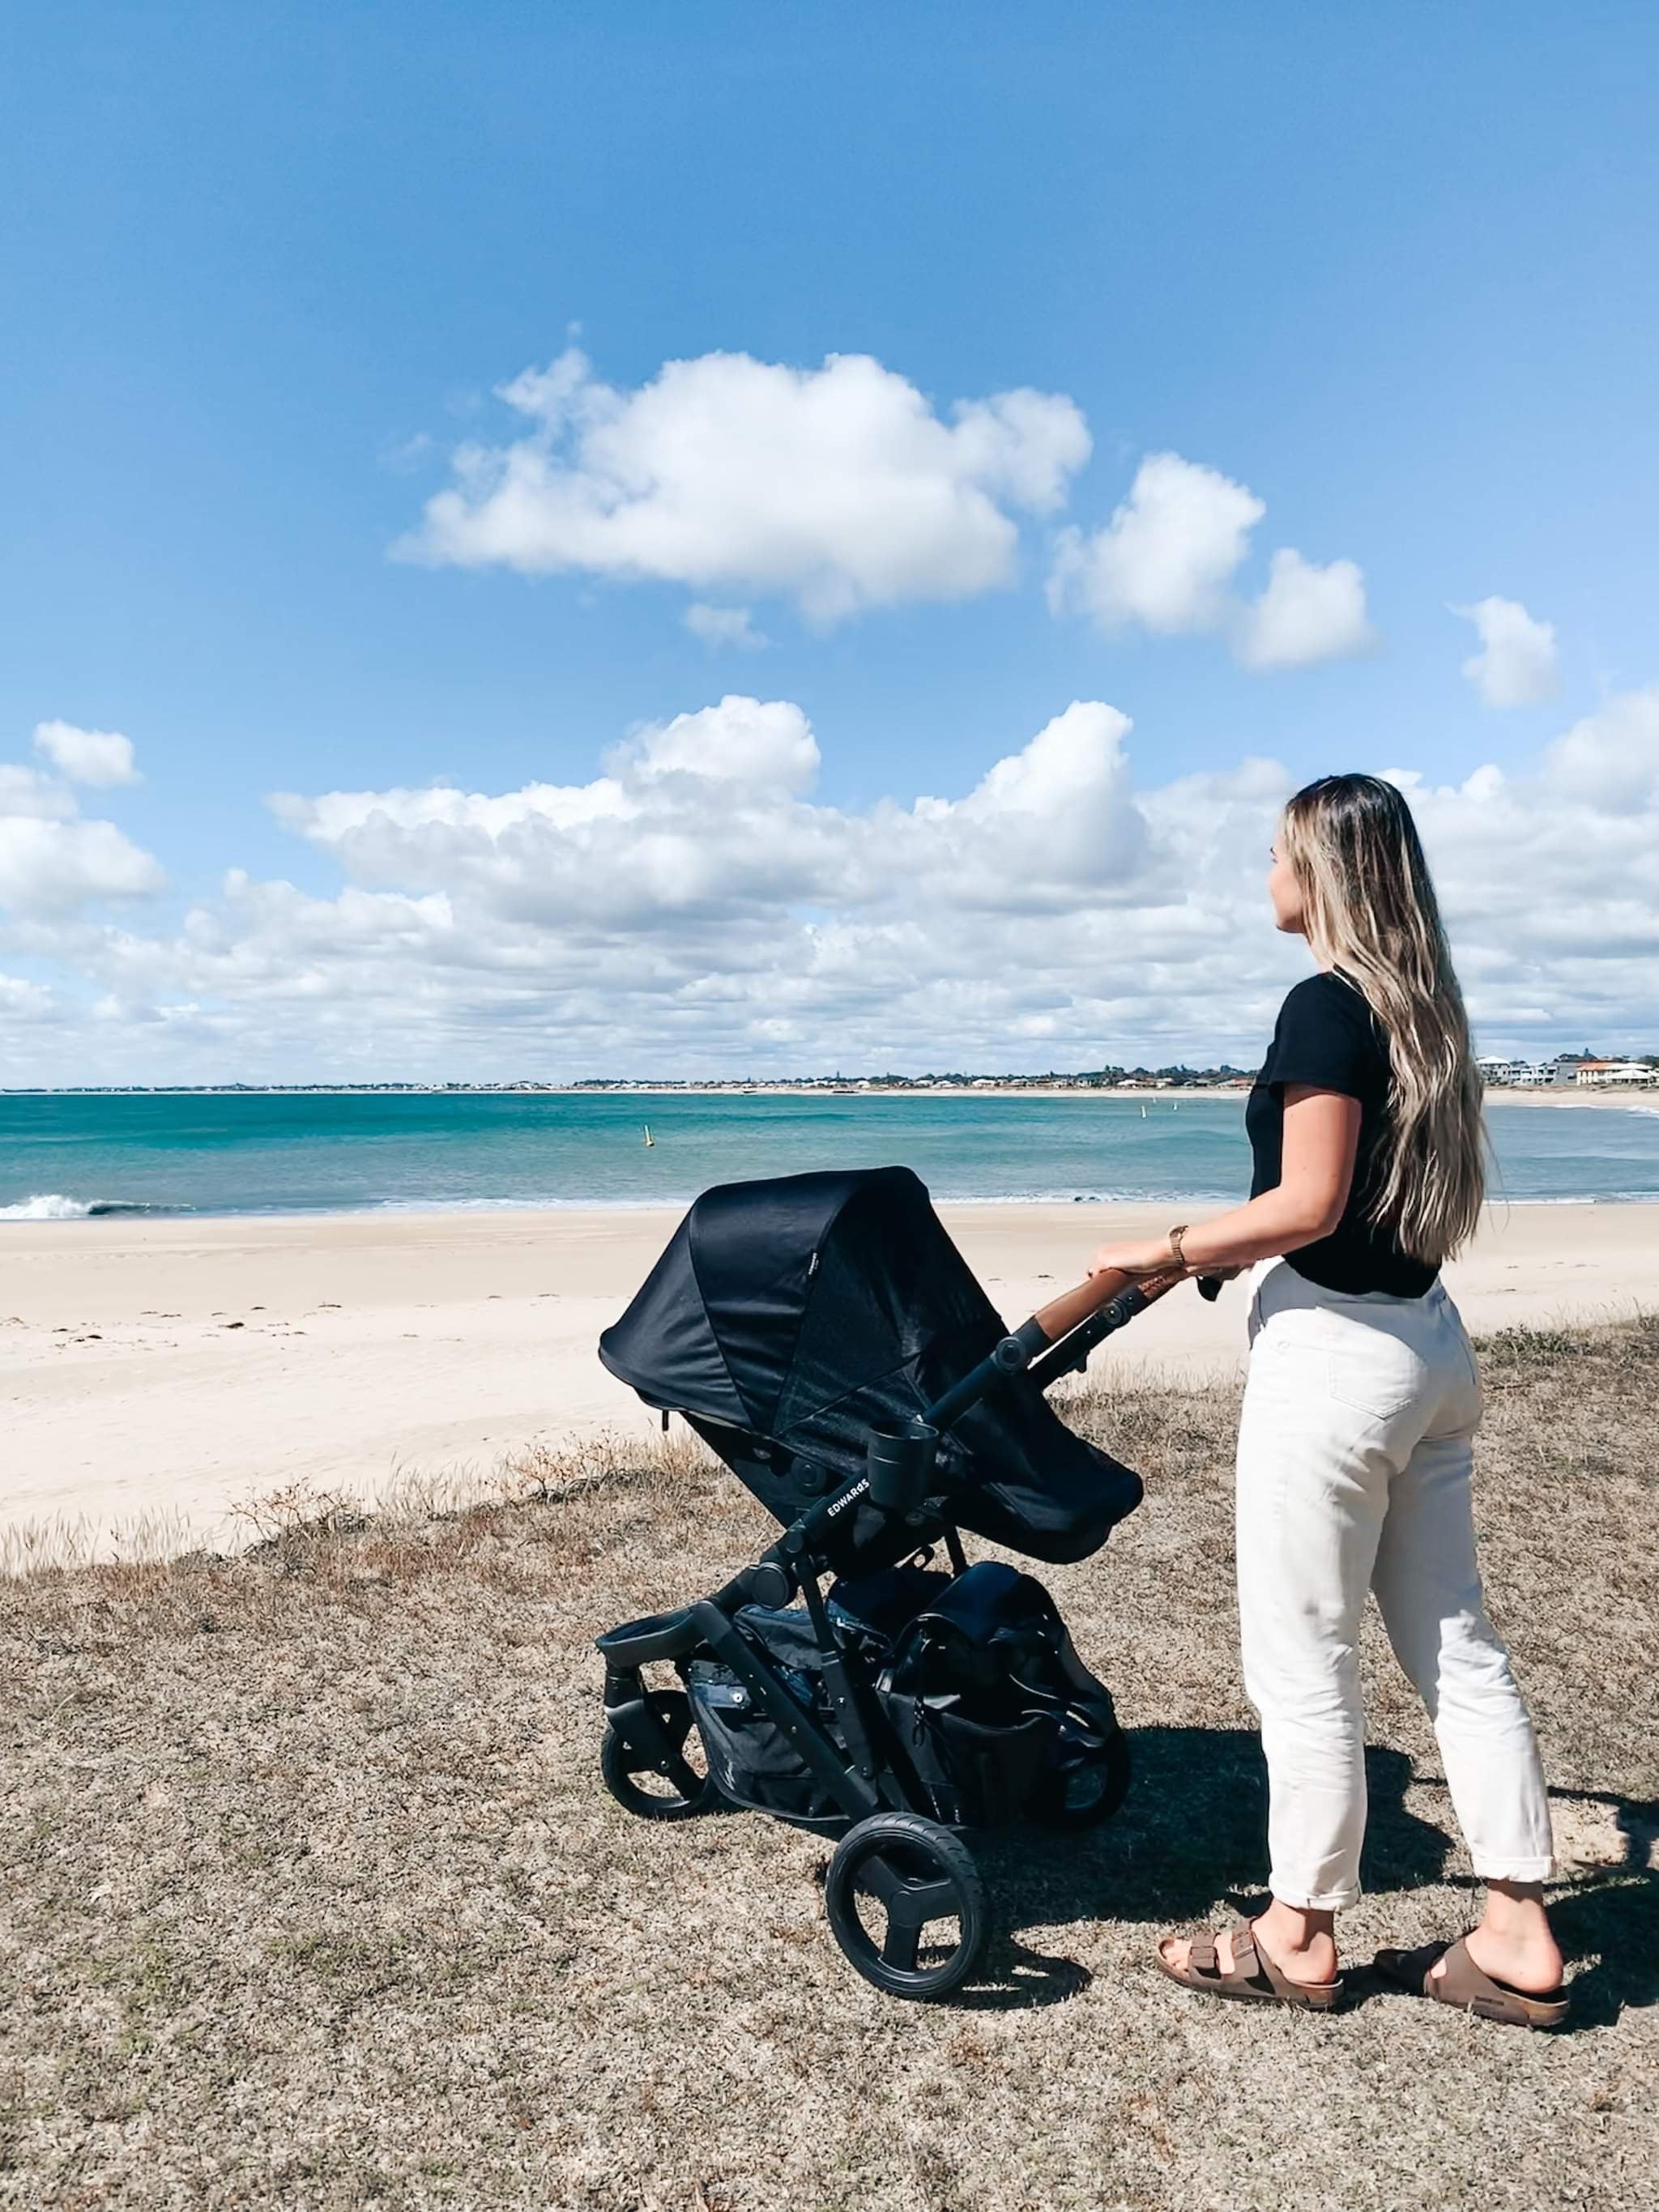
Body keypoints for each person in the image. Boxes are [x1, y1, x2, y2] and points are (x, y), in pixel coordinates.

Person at [1086, 773, 1567, 2029]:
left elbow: (1307, 1208)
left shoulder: (1324, 1004)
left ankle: (1296, 1930)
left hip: (1339, 1368)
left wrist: (1169, 1249)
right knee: (1456, 1644)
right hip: (1428, 1348)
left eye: (1277, 854)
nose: (1266, 875)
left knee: (1303, 1654)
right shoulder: (1427, 1015)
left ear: (1326, 873)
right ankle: (1515, 1925)